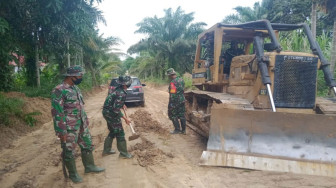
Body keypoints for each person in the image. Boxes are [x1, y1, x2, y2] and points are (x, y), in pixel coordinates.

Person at [51, 65, 105, 183]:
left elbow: (80, 107)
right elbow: (57, 112)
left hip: (81, 124)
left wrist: (85, 121)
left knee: (87, 144)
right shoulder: (59, 90)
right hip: (69, 127)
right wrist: (61, 131)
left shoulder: (75, 88)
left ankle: (89, 166)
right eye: (80, 75)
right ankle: (73, 174)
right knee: (69, 150)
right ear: (71, 76)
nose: (81, 77)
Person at [102, 75, 133, 158]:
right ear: (126, 84)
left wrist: (122, 104)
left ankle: (106, 150)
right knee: (120, 133)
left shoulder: (118, 89)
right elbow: (116, 110)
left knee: (113, 131)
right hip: (111, 113)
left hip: (106, 112)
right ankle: (123, 154)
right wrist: (125, 119)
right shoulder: (121, 93)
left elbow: (115, 101)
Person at [166, 68, 187, 135]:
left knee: (173, 115)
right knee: (182, 115)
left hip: (175, 101)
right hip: (182, 99)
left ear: (170, 75)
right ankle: (184, 130)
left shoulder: (172, 82)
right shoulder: (181, 80)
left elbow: (173, 94)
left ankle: (177, 130)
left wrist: (171, 104)